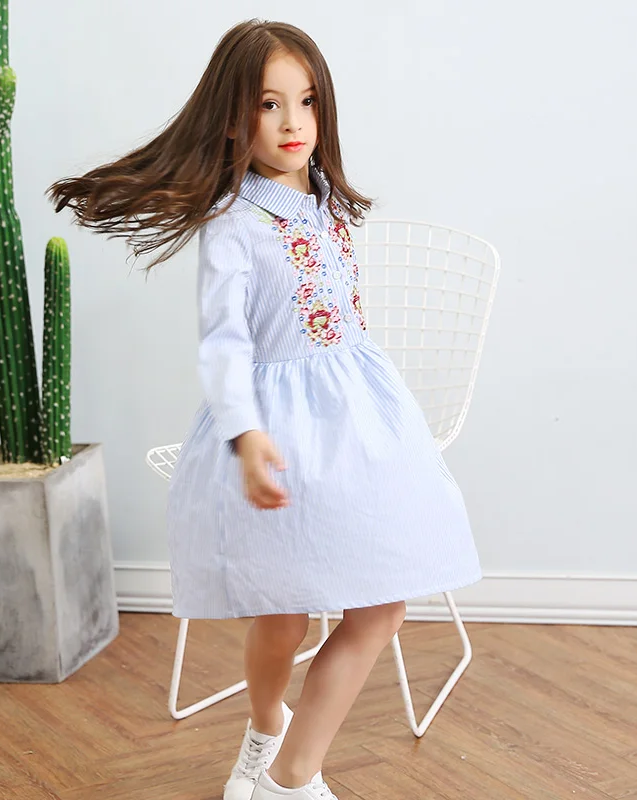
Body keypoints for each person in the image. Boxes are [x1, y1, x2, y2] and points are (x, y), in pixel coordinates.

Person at [48, 18, 483, 800]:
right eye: (269, 105)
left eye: (307, 102)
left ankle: (289, 777)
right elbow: (223, 346)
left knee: (381, 607)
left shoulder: (331, 205)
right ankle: (266, 732)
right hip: (279, 434)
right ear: (232, 118)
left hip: (362, 428)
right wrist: (246, 436)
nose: (292, 123)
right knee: (283, 617)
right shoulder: (234, 226)